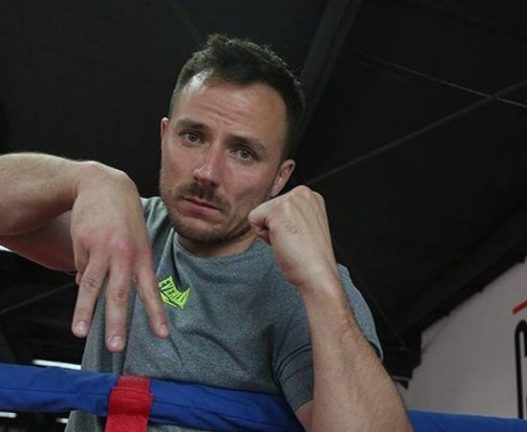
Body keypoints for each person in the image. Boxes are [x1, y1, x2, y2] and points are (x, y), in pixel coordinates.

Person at [0, 35, 412, 431]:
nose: (207, 172)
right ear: (165, 136)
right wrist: (83, 178)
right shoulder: (132, 227)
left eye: (244, 152)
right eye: (193, 136)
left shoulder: (295, 288)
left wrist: (321, 285)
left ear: (279, 178)